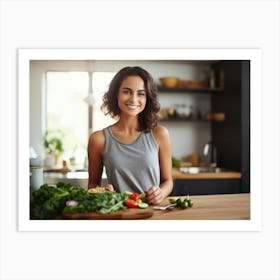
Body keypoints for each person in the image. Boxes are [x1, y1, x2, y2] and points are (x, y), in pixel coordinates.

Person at [87, 66, 173, 205]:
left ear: (147, 98)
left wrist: (161, 193)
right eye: (127, 92)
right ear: (116, 94)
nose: (133, 99)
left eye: (141, 93)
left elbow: (168, 181)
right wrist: (102, 191)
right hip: (118, 214)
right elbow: (92, 185)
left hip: (152, 213)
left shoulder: (160, 134)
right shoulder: (98, 139)